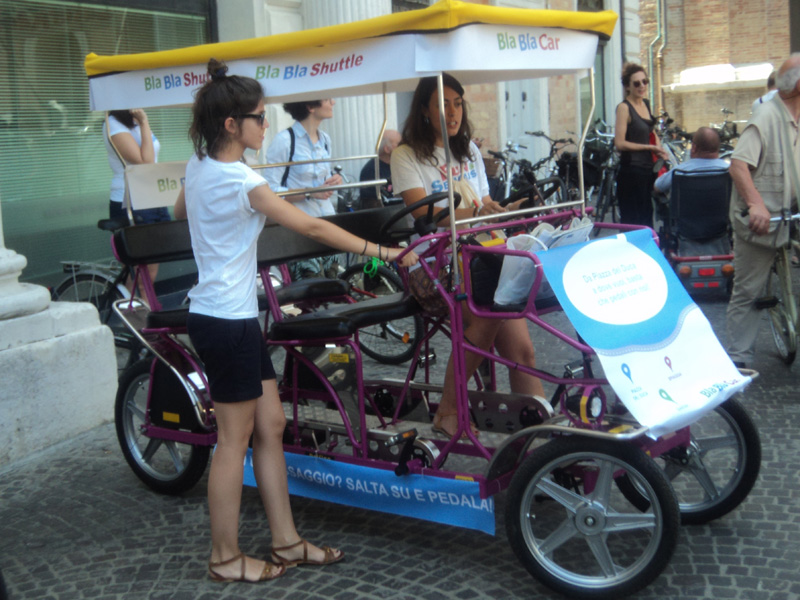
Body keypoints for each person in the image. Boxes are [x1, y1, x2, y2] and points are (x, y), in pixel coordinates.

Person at [173, 58, 417, 583]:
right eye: (260, 118)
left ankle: (285, 541)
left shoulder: (199, 167)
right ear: (232, 125)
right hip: (226, 320)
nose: (267, 126)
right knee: (232, 440)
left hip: (227, 317)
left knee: (271, 424)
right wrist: (385, 252)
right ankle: (224, 557)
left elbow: (177, 211)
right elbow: (313, 227)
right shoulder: (240, 180)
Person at [391, 73, 545, 440]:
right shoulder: (405, 154)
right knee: (490, 312)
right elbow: (424, 216)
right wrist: (477, 213)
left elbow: (483, 205)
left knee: (523, 351)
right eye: (443, 105)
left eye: (458, 104)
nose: (453, 112)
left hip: (481, 253)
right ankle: (448, 409)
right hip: (432, 263)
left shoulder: (469, 151)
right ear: (424, 110)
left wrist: (504, 209)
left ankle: (543, 433)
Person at [726, 54, 800, 369]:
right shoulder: (767, 116)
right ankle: (739, 359)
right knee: (748, 291)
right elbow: (738, 166)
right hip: (761, 223)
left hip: (790, 216)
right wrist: (755, 203)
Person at [265, 99, 342, 279]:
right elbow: (271, 192)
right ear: (310, 106)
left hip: (328, 222)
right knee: (311, 286)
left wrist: (334, 180)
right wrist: (309, 192)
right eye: (327, 99)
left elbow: (322, 180)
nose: (333, 102)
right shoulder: (284, 140)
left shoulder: (325, 139)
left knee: (335, 285)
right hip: (300, 229)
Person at [614, 63, 668, 227]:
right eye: (636, 83)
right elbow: (619, 143)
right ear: (627, 87)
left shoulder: (645, 103)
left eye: (645, 81)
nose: (642, 86)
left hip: (648, 170)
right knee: (633, 222)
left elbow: (650, 131)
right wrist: (649, 148)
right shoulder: (624, 108)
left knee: (647, 218)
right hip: (631, 171)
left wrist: (660, 150)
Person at [103, 109, 170, 225]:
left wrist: (142, 122)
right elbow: (145, 163)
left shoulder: (135, 120)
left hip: (155, 196)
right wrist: (144, 122)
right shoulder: (113, 123)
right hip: (131, 200)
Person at [653, 127, 729, 195]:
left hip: (685, 207)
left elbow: (658, 187)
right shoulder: (729, 170)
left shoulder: (679, 171)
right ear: (718, 147)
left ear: (694, 148)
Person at [358, 129, 400, 209]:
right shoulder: (371, 171)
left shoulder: (401, 166)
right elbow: (373, 206)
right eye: (400, 144)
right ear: (387, 149)